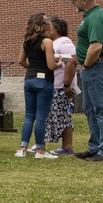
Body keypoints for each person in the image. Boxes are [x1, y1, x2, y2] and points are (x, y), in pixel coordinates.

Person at [66, 0, 103, 162]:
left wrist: (86, 65)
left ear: (84, 0)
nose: (73, 4)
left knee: (101, 109)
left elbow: (96, 46)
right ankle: (95, 148)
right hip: (94, 68)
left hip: (97, 67)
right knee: (91, 109)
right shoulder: (90, 16)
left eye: (75, 0)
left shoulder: (95, 18)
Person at [15, 13, 62, 159]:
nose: (49, 23)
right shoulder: (47, 41)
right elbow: (51, 65)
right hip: (44, 81)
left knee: (29, 115)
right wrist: (59, 63)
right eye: (47, 21)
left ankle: (23, 148)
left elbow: (21, 61)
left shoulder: (26, 41)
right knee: (41, 117)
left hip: (29, 80)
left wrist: (32, 68)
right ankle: (40, 150)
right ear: (41, 25)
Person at [44, 17, 78, 155]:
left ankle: (67, 146)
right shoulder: (54, 42)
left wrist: (67, 84)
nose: (47, 30)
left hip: (61, 86)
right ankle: (66, 146)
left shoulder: (64, 42)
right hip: (56, 84)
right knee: (62, 115)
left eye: (50, 28)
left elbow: (73, 61)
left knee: (63, 114)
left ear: (57, 29)